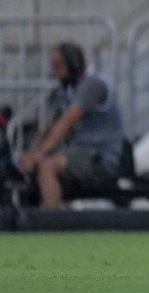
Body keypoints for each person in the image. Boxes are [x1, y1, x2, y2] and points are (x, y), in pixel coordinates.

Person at [18, 42, 124, 209]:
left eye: (59, 66)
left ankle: (51, 222)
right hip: (79, 154)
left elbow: (67, 123)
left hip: (100, 157)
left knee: (48, 166)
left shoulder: (93, 85)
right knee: (33, 163)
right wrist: (32, 153)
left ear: (73, 64)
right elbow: (52, 127)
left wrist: (39, 155)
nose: (55, 72)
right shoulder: (68, 91)